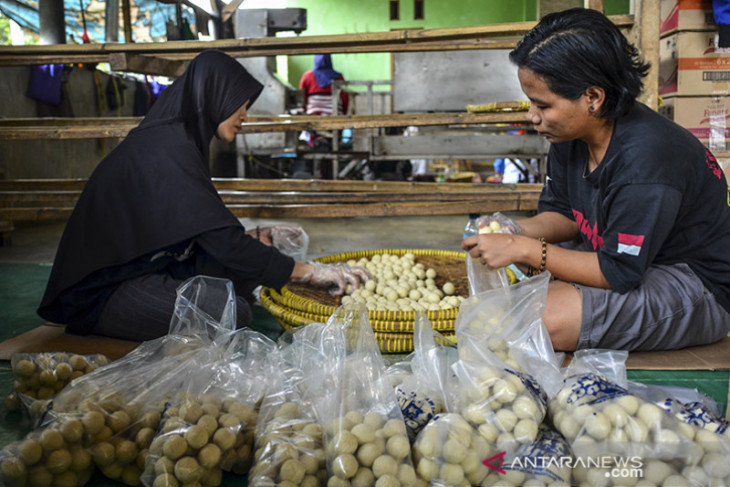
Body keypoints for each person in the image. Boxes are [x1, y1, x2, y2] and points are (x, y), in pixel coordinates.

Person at [37, 50, 369, 342]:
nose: (244, 116)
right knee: (233, 313)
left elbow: (194, 225)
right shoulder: (167, 148)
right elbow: (219, 238)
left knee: (240, 276)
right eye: (239, 103)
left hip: (145, 267)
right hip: (103, 292)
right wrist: (310, 272)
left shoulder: (181, 141)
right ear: (214, 95)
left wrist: (254, 238)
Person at [462, 8, 730, 352]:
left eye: (542, 105)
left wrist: (525, 250)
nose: (533, 117)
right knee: (507, 308)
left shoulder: (646, 161)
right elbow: (565, 215)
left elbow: (617, 272)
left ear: (592, 97)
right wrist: (513, 231)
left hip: (695, 285)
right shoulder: (569, 135)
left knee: (535, 320)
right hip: (624, 257)